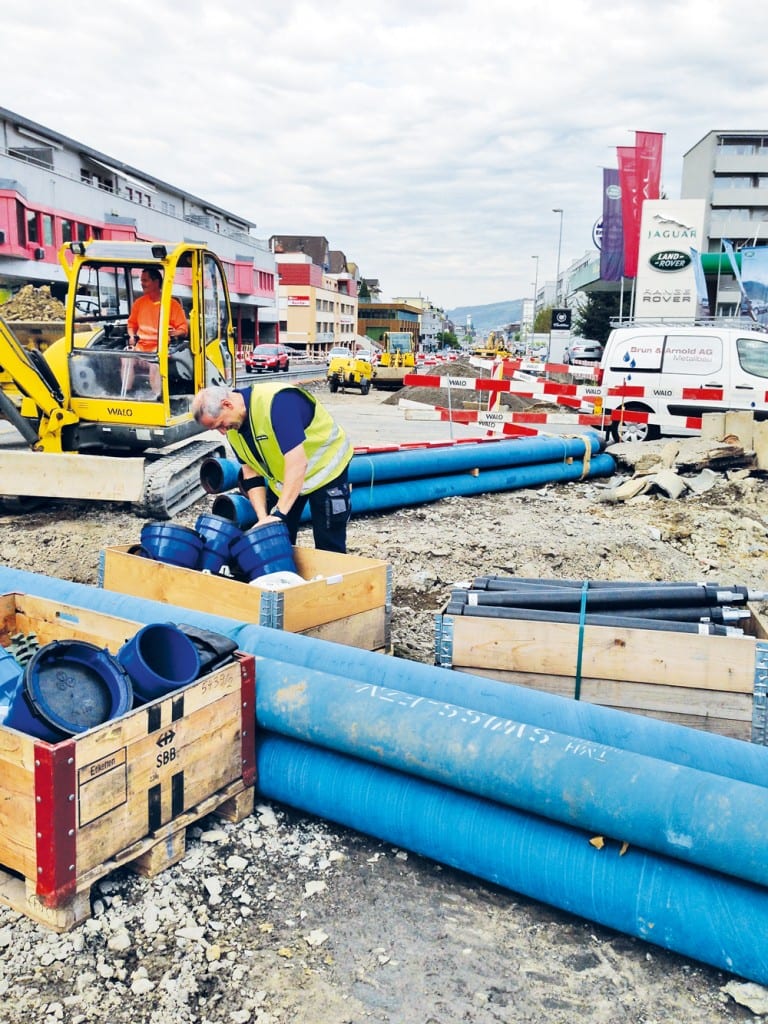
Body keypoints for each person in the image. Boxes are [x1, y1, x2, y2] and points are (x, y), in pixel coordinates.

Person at [192, 383, 353, 553]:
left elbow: (297, 463)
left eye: (220, 425)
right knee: (277, 538)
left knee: (328, 543)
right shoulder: (234, 427)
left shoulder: (279, 403)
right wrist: (264, 519)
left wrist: (279, 514)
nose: (223, 432)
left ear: (227, 404)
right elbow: (251, 472)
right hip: (286, 480)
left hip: (325, 472)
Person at [121, 267, 188, 397]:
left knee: (155, 363)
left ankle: (157, 398)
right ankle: (126, 394)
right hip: (140, 348)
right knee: (126, 358)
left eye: (145, 280)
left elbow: (183, 329)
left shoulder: (172, 305)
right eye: (141, 280)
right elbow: (131, 324)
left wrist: (174, 333)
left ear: (156, 282)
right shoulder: (139, 303)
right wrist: (131, 337)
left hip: (159, 349)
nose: (142, 283)